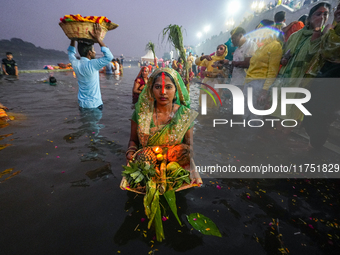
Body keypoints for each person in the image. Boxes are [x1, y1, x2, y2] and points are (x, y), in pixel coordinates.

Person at [126, 68, 200, 183]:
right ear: (151, 89)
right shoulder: (140, 113)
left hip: (174, 173)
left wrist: (177, 155)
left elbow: (189, 147)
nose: (163, 92)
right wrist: (131, 153)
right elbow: (133, 140)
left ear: (176, 90)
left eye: (169, 87)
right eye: (158, 87)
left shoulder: (184, 115)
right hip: (145, 169)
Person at [270, 1, 332, 123]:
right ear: (309, 17)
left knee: (289, 120)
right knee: (277, 117)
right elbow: (286, 54)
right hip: (285, 81)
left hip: (301, 84)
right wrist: (284, 59)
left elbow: (312, 57)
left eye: (325, 15)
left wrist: (318, 30)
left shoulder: (325, 36)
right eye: (318, 14)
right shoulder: (295, 35)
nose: (322, 17)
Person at [303, 1, 340, 147]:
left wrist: (328, 32)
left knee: (321, 117)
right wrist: (318, 30)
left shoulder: (331, 32)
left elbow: (331, 50)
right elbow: (313, 53)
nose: (338, 11)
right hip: (320, 77)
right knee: (310, 115)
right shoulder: (332, 31)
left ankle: (314, 151)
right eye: (338, 8)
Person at [242, 20, 283, 122]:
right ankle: (241, 135)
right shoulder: (260, 47)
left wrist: (264, 92)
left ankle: (250, 137)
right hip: (250, 83)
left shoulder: (275, 46)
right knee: (244, 114)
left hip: (260, 85)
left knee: (255, 116)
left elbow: (272, 71)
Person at [68, 23, 113, 109]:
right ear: (89, 53)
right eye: (93, 50)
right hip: (95, 105)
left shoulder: (75, 63)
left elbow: (70, 53)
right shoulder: (93, 64)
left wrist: (73, 39)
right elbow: (109, 56)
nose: (95, 52)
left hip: (82, 105)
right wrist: (98, 39)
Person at [195, 44, 228, 108]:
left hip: (217, 84)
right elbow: (196, 62)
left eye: (221, 49)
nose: (218, 50)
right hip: (206, 82)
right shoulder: (210, 58)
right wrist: (204, 57)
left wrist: (215, 75)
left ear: (225, 52)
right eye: (217, 48)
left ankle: (212, 116)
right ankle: (203, 115)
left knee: (214, 102)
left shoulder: (225, 62)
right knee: (203, 101)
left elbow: (225, 75)